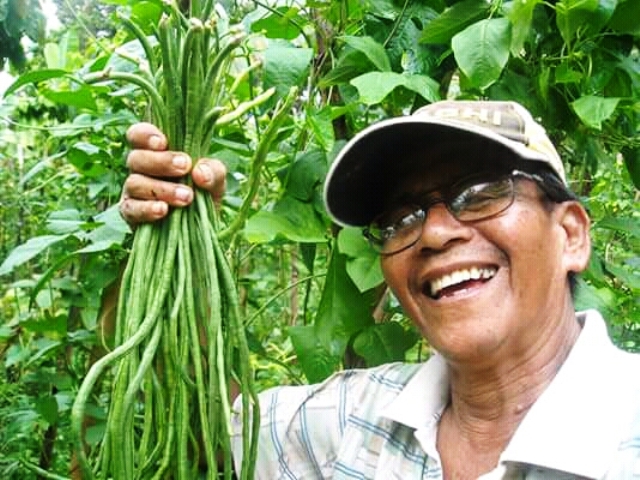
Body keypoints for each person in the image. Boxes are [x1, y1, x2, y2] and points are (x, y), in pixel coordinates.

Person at [121, 100, 640, 479]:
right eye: (399, 219)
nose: (434, 233)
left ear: (570, 234)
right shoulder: (352, 421)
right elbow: (201, 414)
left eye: (481, 193)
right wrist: (170, 244)